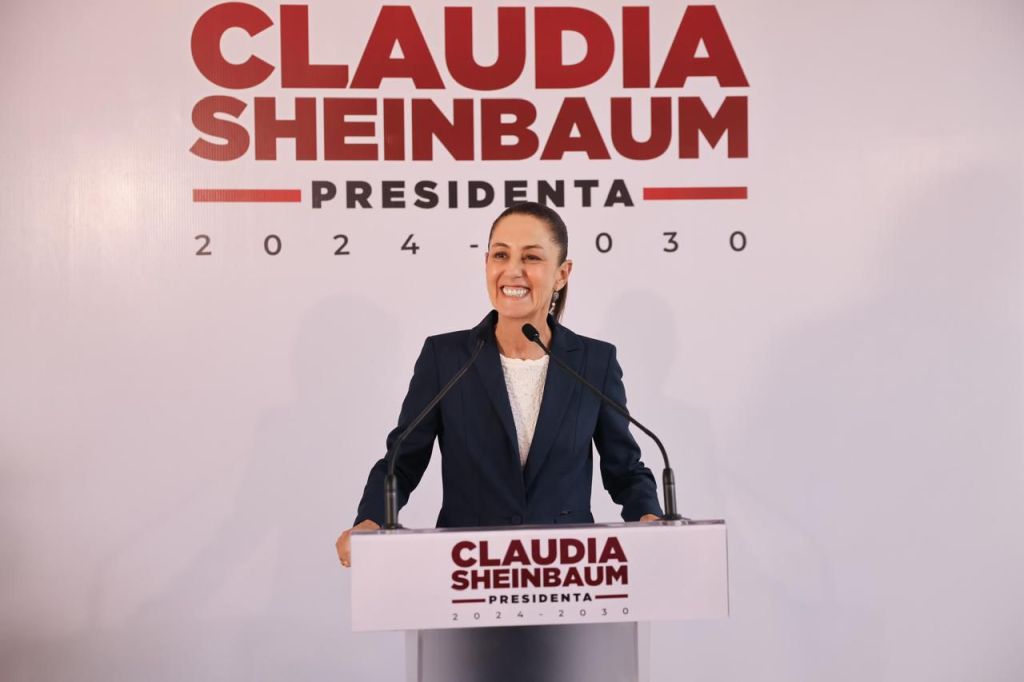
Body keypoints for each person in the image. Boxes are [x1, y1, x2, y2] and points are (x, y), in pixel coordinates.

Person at [336, 202, 662, 567]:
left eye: (531, 257)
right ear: (487, 263)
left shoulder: (593, 362)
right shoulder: (446, 358)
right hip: (468, 568)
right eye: (501, 255)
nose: (512, 270)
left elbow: (625, 469)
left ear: (562, 274)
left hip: (566, 569)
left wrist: (649, 515)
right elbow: (401, 463)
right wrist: (370, 520)